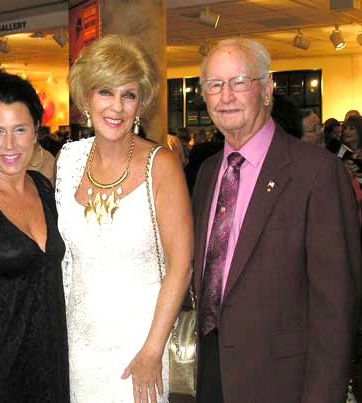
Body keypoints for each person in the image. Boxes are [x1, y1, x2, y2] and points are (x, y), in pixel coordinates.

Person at [192, 38, 361, 403]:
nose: (226, 96)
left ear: (267, 90)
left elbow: (336, 308)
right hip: (211, 374)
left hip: (283, 381)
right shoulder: (207, 174)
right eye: (215, 85)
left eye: (239, 82)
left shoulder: (317, 173)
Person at [56, 35, 192, 403]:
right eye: (105, 92)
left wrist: (152, 350)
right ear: (86, 98)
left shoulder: (160, 165)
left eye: (128, 95)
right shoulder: (67, 161)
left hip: (141, 346)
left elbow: (182, 265)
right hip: (79, 346)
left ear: (140, 104)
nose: (116, 106)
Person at [0, 72, 69, 402]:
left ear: (35, 130)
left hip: (50, 364)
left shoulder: (44, 188)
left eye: (19, 130)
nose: (9, 145)